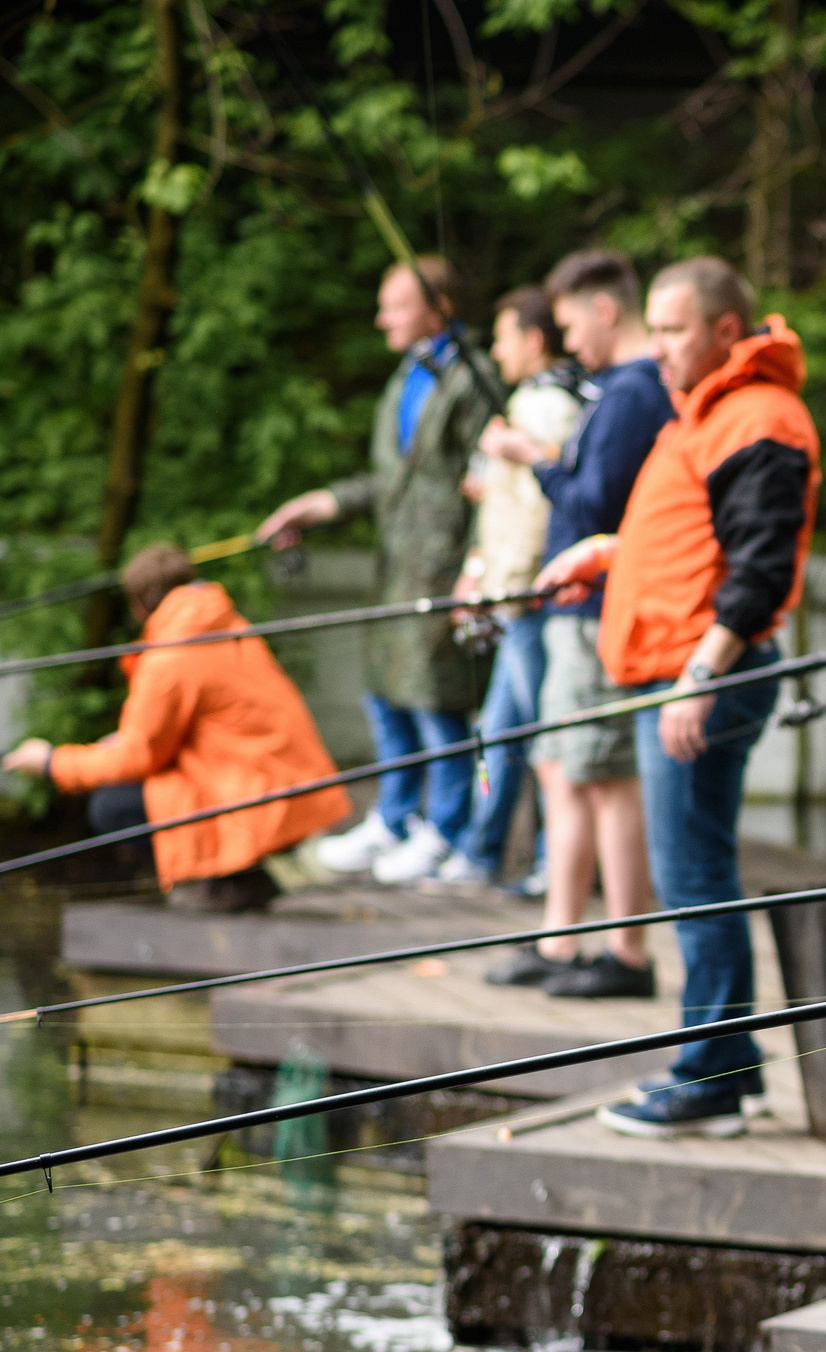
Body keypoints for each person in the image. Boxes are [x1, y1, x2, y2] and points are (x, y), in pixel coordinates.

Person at [536, 257, 819, 1135]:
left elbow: (759, 570)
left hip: (702, 678)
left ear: (724, 331)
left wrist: (700, 678)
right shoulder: (704, 410)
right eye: (652, 328)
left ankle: (716, 1075)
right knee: (693, 874)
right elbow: (690, 537)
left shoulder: (761, 418)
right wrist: (607, 552)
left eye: (672, 329)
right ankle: (724, 1062)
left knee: (696, 877)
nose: (655, 347)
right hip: (679, 673)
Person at [256, 255, 493, 885]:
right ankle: (394, 818)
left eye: (395, 304)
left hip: (444, 572)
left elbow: (489, 482)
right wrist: (321, 505)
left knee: (440, 702)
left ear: (437, 307)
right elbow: (392, 481)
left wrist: (478, 568)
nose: (380, 316)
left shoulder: (474, 378)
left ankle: (445, 831)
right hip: (395, 568)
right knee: (384, 693)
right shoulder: (404, 377)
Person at [484, 249, 674, 1001]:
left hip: (599, 611)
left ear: (604, 309)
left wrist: (535, 457)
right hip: (573, 611)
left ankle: (627, 951)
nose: (567, 344)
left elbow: (596, 503)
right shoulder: (610, 391)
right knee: (566, 773)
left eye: (569, 324)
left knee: (606, 778)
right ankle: (561, 940)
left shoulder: (630, 393)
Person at [0, 544, 350, 911]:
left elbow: (137, 758)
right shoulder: (225, 622)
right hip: (290, 789)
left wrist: (51, 762)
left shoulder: (171, 652)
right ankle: (238, 880)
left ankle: (227, 881)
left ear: (138, 605)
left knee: (112, 805)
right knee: (132, 787)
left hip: (257, 800)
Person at [444, 285, 585, 890]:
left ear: (532, 341)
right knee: (499, 734)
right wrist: (478, 568)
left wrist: (518, 585)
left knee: (542, 739)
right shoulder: (528, 401)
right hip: (509, 593)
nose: (496, 354)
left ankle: (553, 861)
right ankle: (482, 852)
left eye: (501, 339)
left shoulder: (544, 408)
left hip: (527, 599)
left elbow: (538, 511)